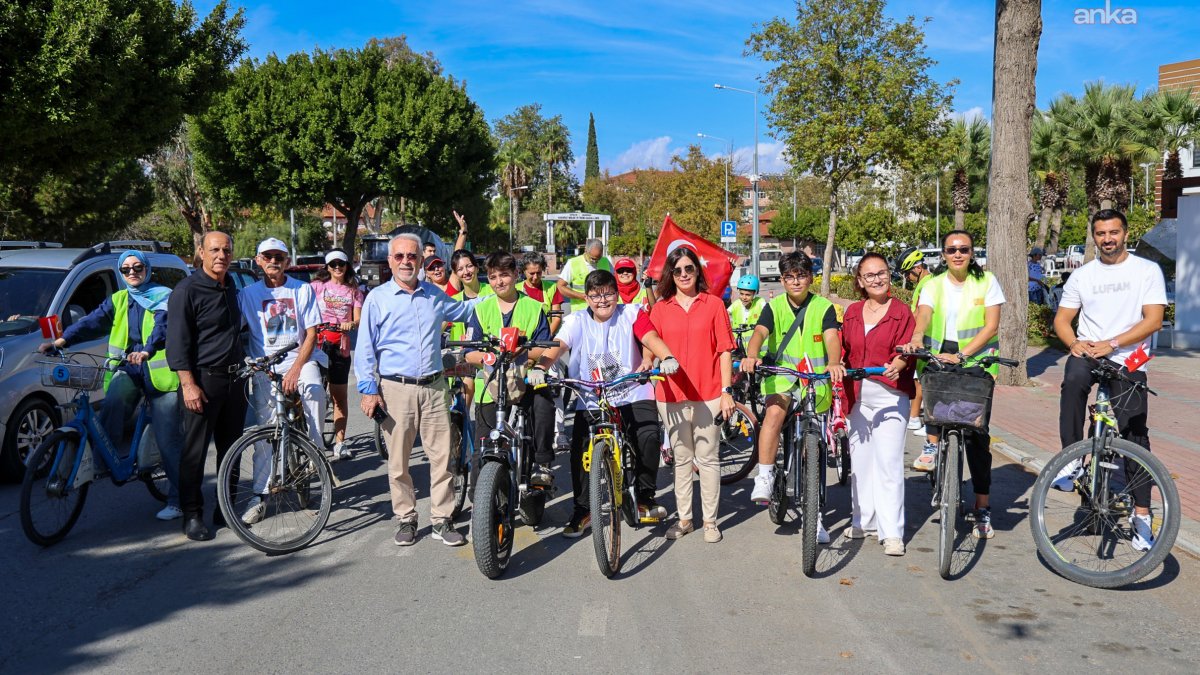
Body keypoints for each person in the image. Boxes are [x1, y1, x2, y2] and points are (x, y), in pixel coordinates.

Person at [529, 269, 679, 537]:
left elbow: (650, 337)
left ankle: (645, 497)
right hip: (590, 396)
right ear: (586, 298)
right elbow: (558, 345)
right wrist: (541, 366)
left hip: (632, 390)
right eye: (595, 295)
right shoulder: (576, 321)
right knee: (580, 450)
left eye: (608, 293)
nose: (602, 300)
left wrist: (666, 357)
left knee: (647, 435)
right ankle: (583, 510)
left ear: (617, 294)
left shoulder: (631, 313)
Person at [39, 249, 184, 521]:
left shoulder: (163, 296)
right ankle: (106, 464)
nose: (132, 273)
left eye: (137, 267)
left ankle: (179, 500)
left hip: (160, 374)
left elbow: (162, 327)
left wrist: (148, 350)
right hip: (128, 369)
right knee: (113, 406)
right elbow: (90, 322)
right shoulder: (118, 299)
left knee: (168, 440)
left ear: (147, 268)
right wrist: (60, 342)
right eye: (126, 269)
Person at [1051, 209, 1166, 550]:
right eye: (1101, 233)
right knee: (1072, 383)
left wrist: (1112, 343)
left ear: (1125, 234)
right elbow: (1062, 318)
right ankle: (1072, 458)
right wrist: (1073, 343)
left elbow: (1154, 320)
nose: (1107, 239)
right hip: (1088, 353)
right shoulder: (1083, 276)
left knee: (1134, 434)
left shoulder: (1146, 270)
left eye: (1113, 232)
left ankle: (1142, 517)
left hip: (1128, 357)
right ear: (1094, 236)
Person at [355, 233, 478, 547]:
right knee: (399, 462)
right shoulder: (377, 298)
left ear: (421, 261)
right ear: (390, 261)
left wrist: (505, 298)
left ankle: (442, 519)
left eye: (412, 256)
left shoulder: (433, 295)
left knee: (443, 458)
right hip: (395, 389)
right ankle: (407, 519)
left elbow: (467, 312)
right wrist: (369, 390)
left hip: (435, 387)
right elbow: (366, 348)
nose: (406, 262)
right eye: (399, 257)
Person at [904, 229, 1005, 539]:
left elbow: (991, 325)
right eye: (951, 249)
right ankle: (931, 447)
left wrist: (963, 355)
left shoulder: (986, 281)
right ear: (943, 255)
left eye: (964, 249)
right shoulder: (933, 285)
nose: (958, 254)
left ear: (972, 252)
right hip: (937, 360)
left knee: (976, 438)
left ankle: (982, 507)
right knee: (935, 412)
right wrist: (917, 337)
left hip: (975, 363)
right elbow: (923, 314)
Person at [740, 252, 841, 543]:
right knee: (773, 415)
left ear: (811, 277)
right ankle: (766, 475)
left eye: (801, 275)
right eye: (789, 277)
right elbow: (760, 332)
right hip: (782, 376)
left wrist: (833, 362)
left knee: (815, 451)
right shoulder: (773, 307)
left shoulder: (824, 307)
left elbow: (832, 336)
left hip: (815, 379)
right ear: (782, 280)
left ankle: (817, 516)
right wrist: (751, 355)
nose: (796, 281)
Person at [830, 253, 915, 556]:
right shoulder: (852, 312)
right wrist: (836, 361)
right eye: (870, 275)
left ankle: (891, 532)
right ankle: (862, 520)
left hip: (891, 395)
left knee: (889, 463)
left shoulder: (902, 312)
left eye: (882, 273)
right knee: (861, 462)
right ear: (860, 281)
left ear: (889, 276)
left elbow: (909, 346)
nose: (877, 279)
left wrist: (900, 362)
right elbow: (843, 347)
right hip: (857, 396)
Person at [649, 246, 735, 543]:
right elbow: (650, 347)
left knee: (708, 458)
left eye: (689, 268)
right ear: (670, 275)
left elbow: (724, 350)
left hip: (708, 392)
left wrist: (726, 391)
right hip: (670, 394)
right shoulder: (660, 308)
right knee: (681, 458)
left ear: (697, 270)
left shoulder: (713, 304)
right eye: (677, 270)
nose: (684, 274)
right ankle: (685, 518)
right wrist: (644, 366)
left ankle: (710, 521)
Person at [167, 232, 248, 541]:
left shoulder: (230, 286)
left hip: (235, 380)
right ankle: (192, 514)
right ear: (199, 252)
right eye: (214, 250)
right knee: (195, 453)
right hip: (202, 381)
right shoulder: (186, 291)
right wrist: (188, 385)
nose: (221, 255)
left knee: (232, 450)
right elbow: (177, 344)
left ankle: (225, 509)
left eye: (226, 250)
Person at [461, 252, 556, 489]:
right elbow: (468, 352)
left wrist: (520, 353)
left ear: (515, 275)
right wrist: (490, 357)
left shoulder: (534, 308)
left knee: (544, 404)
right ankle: (479, 499)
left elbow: (545, 348)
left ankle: (541, 465)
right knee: (483, 441)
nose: (498, 282)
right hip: (491, 385)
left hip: (526, 378)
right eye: (493, 277)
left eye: (504, 275)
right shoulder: (481, 310)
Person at [310, 248, 364, 460]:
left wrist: (352, 323)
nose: (338, 268)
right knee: (312, 395)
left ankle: (340, 443)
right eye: (333, 265)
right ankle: (311, 441)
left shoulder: (354, 292)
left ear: (347, 266)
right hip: (317, 347)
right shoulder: (316, 287)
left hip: (340, 348)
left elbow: (358, 318)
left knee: (339, 398)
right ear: (328, 268)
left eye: (341, 264)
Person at [898, 248, 933, 437]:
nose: (907, 277)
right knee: (919, 378)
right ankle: (916, 418)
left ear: (918, 268)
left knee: (921, 379)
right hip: (923, 336)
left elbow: (920, 312)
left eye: (908, 273)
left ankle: (920, 419)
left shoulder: (927, 284)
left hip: (924, 338)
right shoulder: (926, 283)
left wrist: (909, 333)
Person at [557, 238, 612, 313]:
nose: (595, 261)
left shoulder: (606, 261)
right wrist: (582, 296)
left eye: (598, 258)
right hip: (581, 310)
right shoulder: (573, 263)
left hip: (602, 310)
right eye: (592, 258)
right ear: (586, 250)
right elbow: (560, 287)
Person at [520, 251, 564, 334]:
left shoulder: (552, 288)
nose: (536, 277)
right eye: (532, 273)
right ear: (524, 271)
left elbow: (556, 318)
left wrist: (546, 337)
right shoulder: (516, 289)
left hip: (545, 338)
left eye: (539, 273)